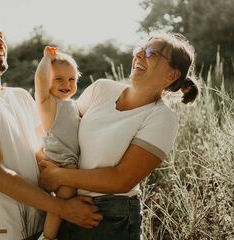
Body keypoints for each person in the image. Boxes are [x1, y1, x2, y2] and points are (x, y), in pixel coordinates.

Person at [0, 12, 102, 240]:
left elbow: (41, 153)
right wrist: (63, 208)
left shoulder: (20, 96)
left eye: (1, 35)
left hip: (46, 225)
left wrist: (63, 183)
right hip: (11, 233)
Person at [39, 32, 199, 240]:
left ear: (171, 75)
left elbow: (121, 179)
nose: (140, 56)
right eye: (140, 49)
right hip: (67, 206)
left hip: (110, 218)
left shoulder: (162, 117)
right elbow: (62, 130)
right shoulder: (101, 88)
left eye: (151, 53)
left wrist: (56, 176)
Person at [34, 46, 81, 240]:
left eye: (72, 79)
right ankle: (47, 237)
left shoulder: (73, 104)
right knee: (60, 203)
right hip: (59, 161)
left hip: (67, 160)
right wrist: (46, 59)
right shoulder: (49, 104)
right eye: (59, 79)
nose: (66, 84)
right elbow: (40, 80)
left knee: (66, 198)